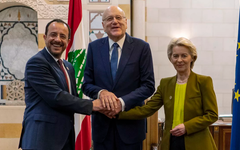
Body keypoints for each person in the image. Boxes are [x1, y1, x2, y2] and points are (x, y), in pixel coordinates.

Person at [118, 37, 218, 150]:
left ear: (192, 58)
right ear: (170, 58)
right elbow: (146, 109)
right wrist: (118, 114)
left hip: (197, 143)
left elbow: (212, 115)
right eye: (175, 56)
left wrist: (187, 127)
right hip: (171, 143)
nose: (179, 60)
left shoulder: (203, 82)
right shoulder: (165, 84)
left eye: (184, 55)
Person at [19, 19, 103, 150]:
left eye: (62, 36)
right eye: (53, 34)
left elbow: (73, 98)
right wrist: (93, 105)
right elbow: (56, 97)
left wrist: (103, 107)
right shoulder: (36, 62)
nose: (57, 39)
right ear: (45, 37)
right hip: (41, 139)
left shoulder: (68, 66)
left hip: (64, 138)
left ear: (68, 41)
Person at [82, 6, 155, 150]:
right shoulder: (93, 48)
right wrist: (102, 92)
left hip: (131, 127)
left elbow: (148, 86)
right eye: (109, 19)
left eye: (118, 18)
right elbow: (86, 85)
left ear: (126, 22)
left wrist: (120, 103)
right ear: (103, 25)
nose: (114, 22)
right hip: (102, 128)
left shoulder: (142, 47)